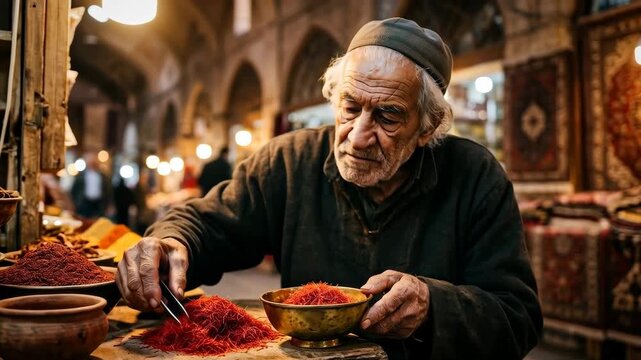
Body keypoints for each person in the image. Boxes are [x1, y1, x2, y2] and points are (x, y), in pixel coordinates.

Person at [117, 18, 542, 359]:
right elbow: (207, 223)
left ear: (427, 127)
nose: (358, 136)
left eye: (388, 116)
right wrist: (170, 241)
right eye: (350, 108)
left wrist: (434, 306)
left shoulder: (475, 176)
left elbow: (517, 319)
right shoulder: (288, 161)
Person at [70, 152, 111, 219]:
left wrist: (108, 204)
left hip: (98, 203)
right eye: (90, 161)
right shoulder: (81, 175)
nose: (92, 163)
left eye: (94, 161)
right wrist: (74, 203)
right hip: (84, 202)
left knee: (98, 221)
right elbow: (74, 190)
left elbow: (108, 191)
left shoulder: (103, 176)